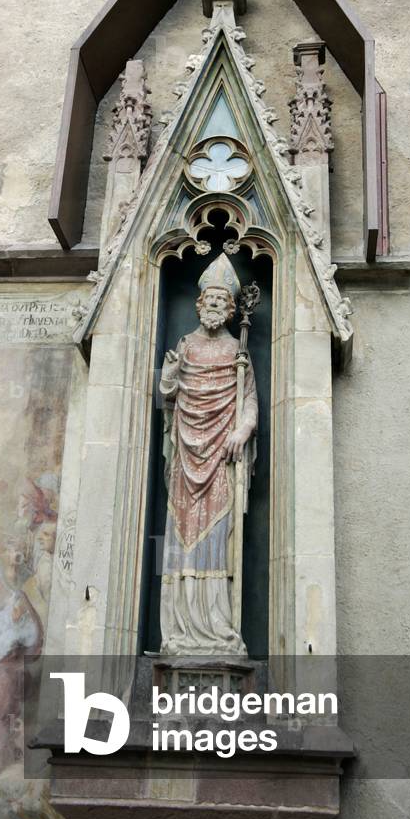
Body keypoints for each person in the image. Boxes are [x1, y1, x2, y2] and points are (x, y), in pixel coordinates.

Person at [159, 253, 257, 655]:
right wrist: (170, 375)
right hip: (186, 455)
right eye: (209, 301)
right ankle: (179, 628)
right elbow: (169, 395)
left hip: (222, 457)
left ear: (232, 310)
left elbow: (249, 400)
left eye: (222, 302)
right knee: (183, 534)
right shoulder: (185, 346)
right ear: (199, 304)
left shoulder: (238, 352)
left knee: (218, 534)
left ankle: (217, 626)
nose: (215, 306)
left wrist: (244, 428)